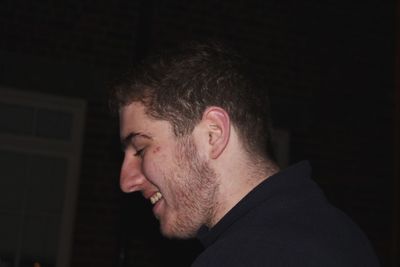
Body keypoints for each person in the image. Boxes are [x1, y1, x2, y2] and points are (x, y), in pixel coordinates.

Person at [110, 41, 380, 266]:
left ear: (212, 134)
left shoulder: (253, 255)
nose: (126, 181)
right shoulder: (333, 232)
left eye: (141, 149)